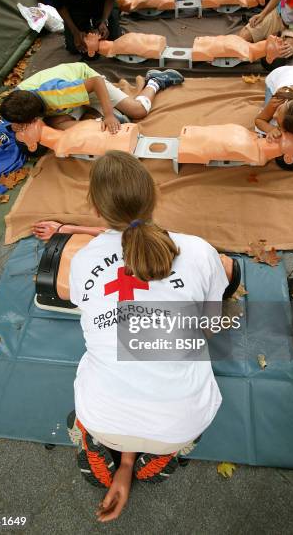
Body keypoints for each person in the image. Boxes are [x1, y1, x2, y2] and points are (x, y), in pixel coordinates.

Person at [52, 151, 240, 522]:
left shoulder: (84, 260)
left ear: (93, 207)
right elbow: (210, 326)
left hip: (104, 416)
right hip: (181, 422)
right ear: (155, 195)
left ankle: (107, 450)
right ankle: (167, 452)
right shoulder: (201, 252)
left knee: (113, 358)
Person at [0, 63, 184, 134]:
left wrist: (110, 115)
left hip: (90, 82)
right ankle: (98, 119)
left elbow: (96, 82)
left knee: (138, 111)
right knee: (59, 126)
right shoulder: (19, 95)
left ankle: (155, 81)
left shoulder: (60, 95)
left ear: (35, 116)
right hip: (63, 96)